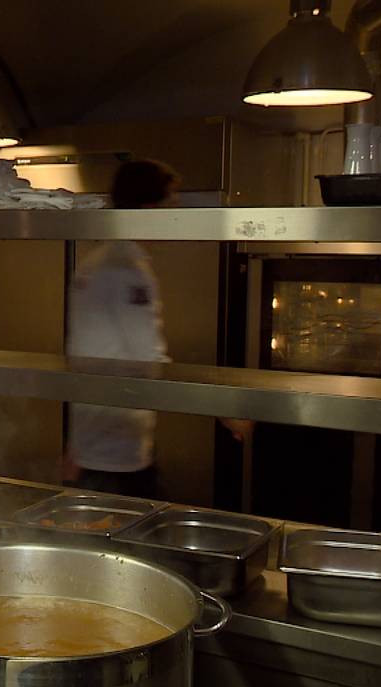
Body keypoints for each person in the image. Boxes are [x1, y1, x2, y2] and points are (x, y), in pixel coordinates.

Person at [62, 160, 250, 499]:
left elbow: (91, 351)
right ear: (150, 209)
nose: (174, 215)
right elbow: (149, 360)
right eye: (171, 205)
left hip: (102, 440)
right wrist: (224, 410)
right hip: (114, 451)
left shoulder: (100, 260)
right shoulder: (125, 270)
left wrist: (75, 445)